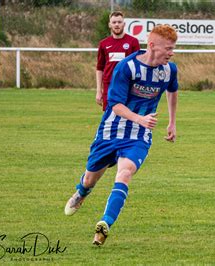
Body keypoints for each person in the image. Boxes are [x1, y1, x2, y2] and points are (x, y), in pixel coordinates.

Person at [65, 24, 179, 246]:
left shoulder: (169, 70)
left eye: (173, 48)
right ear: (153, 45)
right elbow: (115, 104)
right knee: (90, 178)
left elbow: (173, 91)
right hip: (111, 131)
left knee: (125, 172)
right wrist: (139, 118)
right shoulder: (126, 68)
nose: (172, 52)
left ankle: (104, 224)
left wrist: (172, 122)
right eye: (168, 48)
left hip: (139, 135)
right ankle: (82, 192)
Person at [96, 11, 140, 111]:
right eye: (114, 22)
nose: (117, 25)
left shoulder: (133, 42)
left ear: (124, 24)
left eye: (119, 22)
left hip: (127, 85)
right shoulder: (103, 43)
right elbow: (99, 68)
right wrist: (99, 91)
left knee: (128, 115)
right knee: (109, 115)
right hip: (109, 85)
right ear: (109, 25)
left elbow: (138, 66)